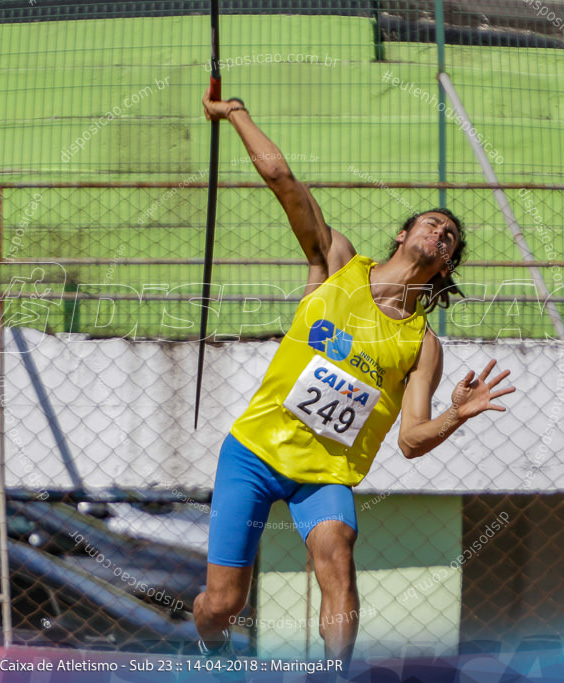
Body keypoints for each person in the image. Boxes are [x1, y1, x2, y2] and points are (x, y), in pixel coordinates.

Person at [193, 90, 516, 668]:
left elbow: (411, 441)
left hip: (324, 475)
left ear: (444, 266)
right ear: (403, 235)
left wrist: (456, 415)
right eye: (431, 224)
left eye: (449, 239)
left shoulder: (422, 345)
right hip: (254, 454)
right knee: (223, 603)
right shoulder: (337, 264)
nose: (439, 233)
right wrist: (235, 111)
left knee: (337, 554)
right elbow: (282, 179)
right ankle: (208, 648)